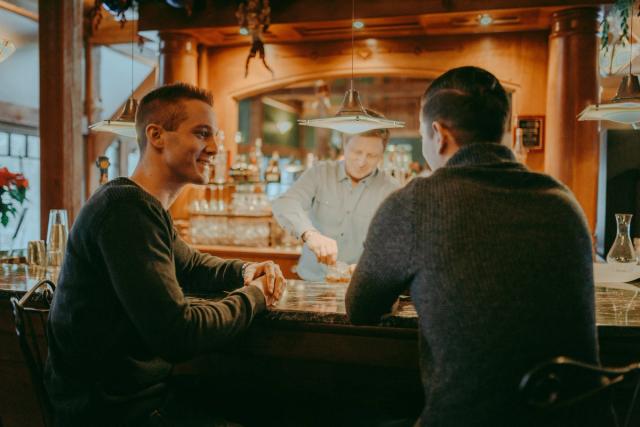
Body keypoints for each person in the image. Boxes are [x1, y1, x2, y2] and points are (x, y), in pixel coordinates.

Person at [345, 67, 612, 426]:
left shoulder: (415, 203)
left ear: (437, 135)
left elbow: (360, 308)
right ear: (503, 128)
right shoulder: (562, 200)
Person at [45, 83, 285, 427]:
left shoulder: (141, 206)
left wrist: (245, 270)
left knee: (263, 401)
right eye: (202, 134)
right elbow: (178, 335)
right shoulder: (125, 211)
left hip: (130, 397)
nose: (215, 148)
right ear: (156, 135)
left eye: (214, 136)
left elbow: (191, 263)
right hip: (113, 413)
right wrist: (255, 297)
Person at [272, 112, 400, 281]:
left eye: (372, 155)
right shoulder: (319, 174)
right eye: (356, 152)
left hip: (360, 286)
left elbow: (397, 243)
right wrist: (310, 234)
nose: (362, 162)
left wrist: (375, 265)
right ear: (344, 145)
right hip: (311, 282)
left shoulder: (392, 190)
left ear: (382, 154)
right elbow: (285, 203)